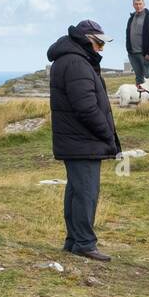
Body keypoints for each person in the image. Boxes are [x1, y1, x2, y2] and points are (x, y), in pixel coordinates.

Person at [47, 19, 120, 262]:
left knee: (77, 191)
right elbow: (86, 108)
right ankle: (84, 243)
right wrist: (106, 134)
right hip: (82, 140)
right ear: (87, 39)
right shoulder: (77, 63)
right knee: (86, 192)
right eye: (99, 42)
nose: (101, 48)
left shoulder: (70, 59)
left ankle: (74, 241)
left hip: (76, 139)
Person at [125, 0, 149, 90]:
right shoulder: (131, 19)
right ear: (133, 5)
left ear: (144, 4)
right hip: (132, 53)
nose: (138, 6)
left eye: (140, 4)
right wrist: (128, 49)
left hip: (144, 54)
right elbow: (127, 35)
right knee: (138, 77)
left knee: (148, 77)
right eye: (136, 4)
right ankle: (140, 97)